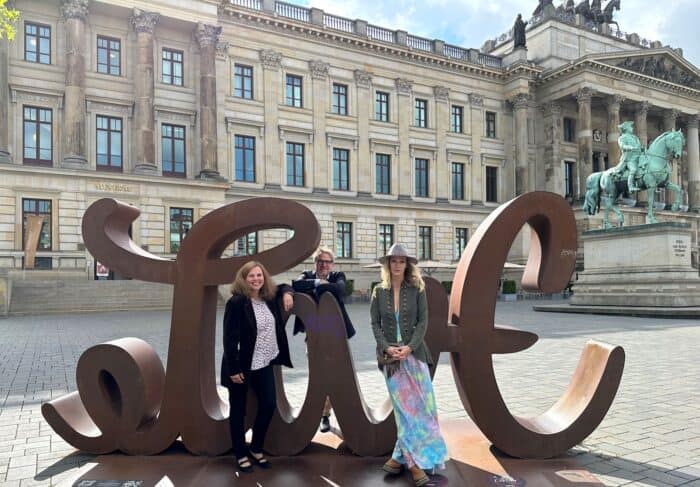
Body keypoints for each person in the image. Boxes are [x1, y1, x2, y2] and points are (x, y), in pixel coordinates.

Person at [370, 243, 448, 487]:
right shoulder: (378, 291)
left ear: (407, 264)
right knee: (405, 412)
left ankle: (397, 458)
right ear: (388, 264)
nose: (397, 265)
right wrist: (386, 347)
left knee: (424, 409)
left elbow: (424, 321)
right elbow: (374, 324)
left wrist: (410, 347)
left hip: (415, 356)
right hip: (391, 361)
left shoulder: (417, 289)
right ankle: (414, 466)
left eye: (401, 261)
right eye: (393, 261)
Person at [221, 261, 294, 473]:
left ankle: (256, 447)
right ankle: (240, 453)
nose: (256, 279)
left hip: (264, 362)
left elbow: (285, 287)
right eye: (251, 276)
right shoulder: (237, 302)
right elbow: (229, 338)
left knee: (269, 404)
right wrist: (234, 369)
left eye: (259, 275)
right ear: (243, 279)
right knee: (238, 410)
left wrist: (288, 293)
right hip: (241, 366)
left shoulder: (268, 298)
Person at [292, 246, 356, 433]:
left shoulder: (338, 276)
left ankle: (328, 414)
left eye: (327, 262)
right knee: (319, 376)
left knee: (336, 376)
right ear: (315, 263)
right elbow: (296, 286)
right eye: (321, 261)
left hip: (336, 335)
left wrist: (318, 284)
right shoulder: (305, 274)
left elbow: (340, 289)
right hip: (313, 335)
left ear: (332, 264)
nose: (324, 265)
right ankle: (323, 415)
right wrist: (318, 282)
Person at [612, 121, 644, 192]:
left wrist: (642, 149)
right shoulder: (622, 138)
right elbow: (622, 146)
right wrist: (631, 147)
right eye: (630, 126)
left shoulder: (635, 137)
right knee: (633, 169)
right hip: (629, 159)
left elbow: (639, 147)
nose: (632, 128)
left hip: (639, 157)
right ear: (626, 128)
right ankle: (631, 187)